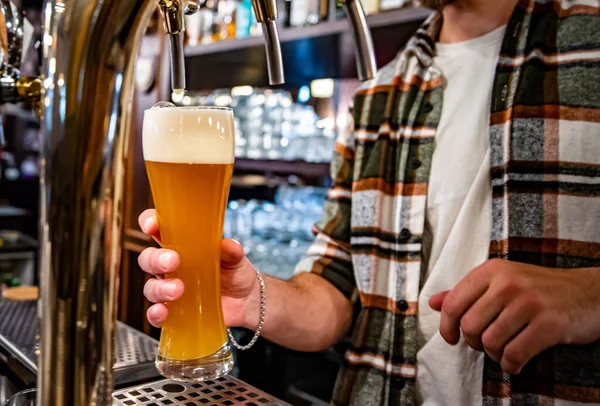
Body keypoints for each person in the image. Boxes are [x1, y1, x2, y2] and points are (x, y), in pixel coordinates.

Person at [137, 0, 600, 404]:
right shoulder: (379, 94)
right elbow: (334, 293)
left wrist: (586, 297)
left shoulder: (590, 49)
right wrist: (248, 296)